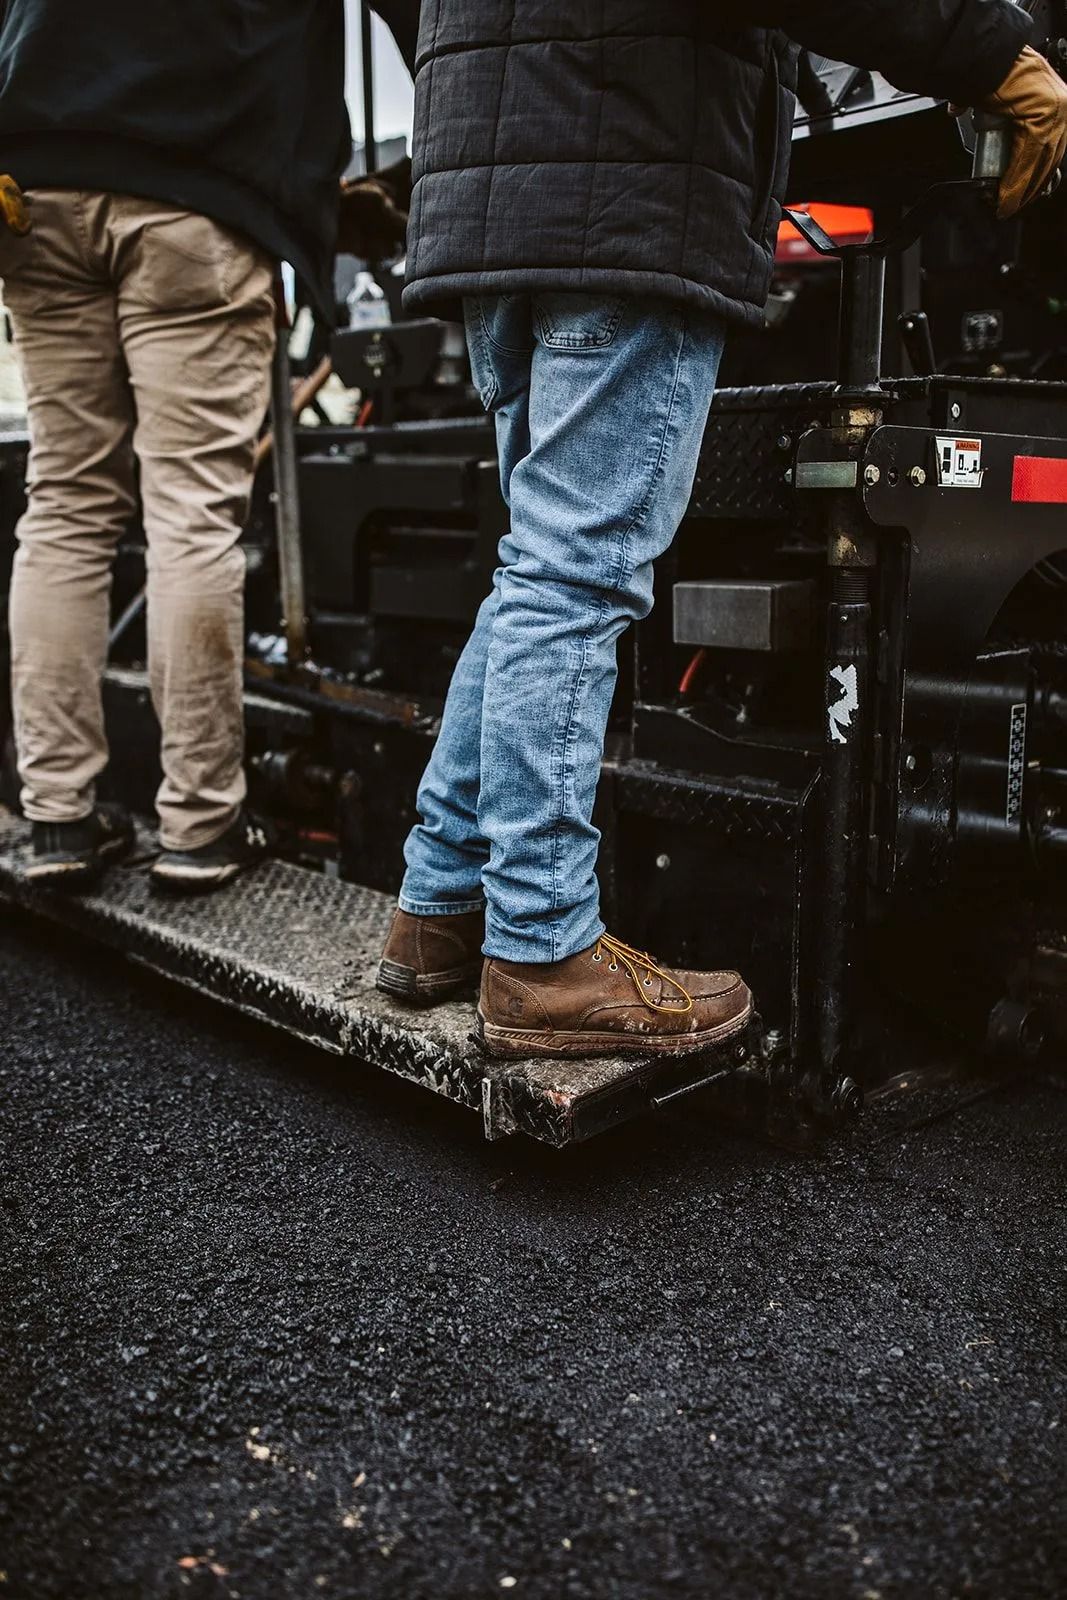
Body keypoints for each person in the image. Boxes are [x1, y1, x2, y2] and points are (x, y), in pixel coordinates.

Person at [376, 0, 1067, 1059]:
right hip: (624, 173)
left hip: (492, 181)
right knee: (572, 574)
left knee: (539, 564)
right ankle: (540, 951)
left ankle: (439, 909)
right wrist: (989, 51)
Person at [0, 0, 408, 891]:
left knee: (65, 502)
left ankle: (57, 820)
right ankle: (198, 824)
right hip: (201, 182)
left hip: (36, 174)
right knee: (192, 511)